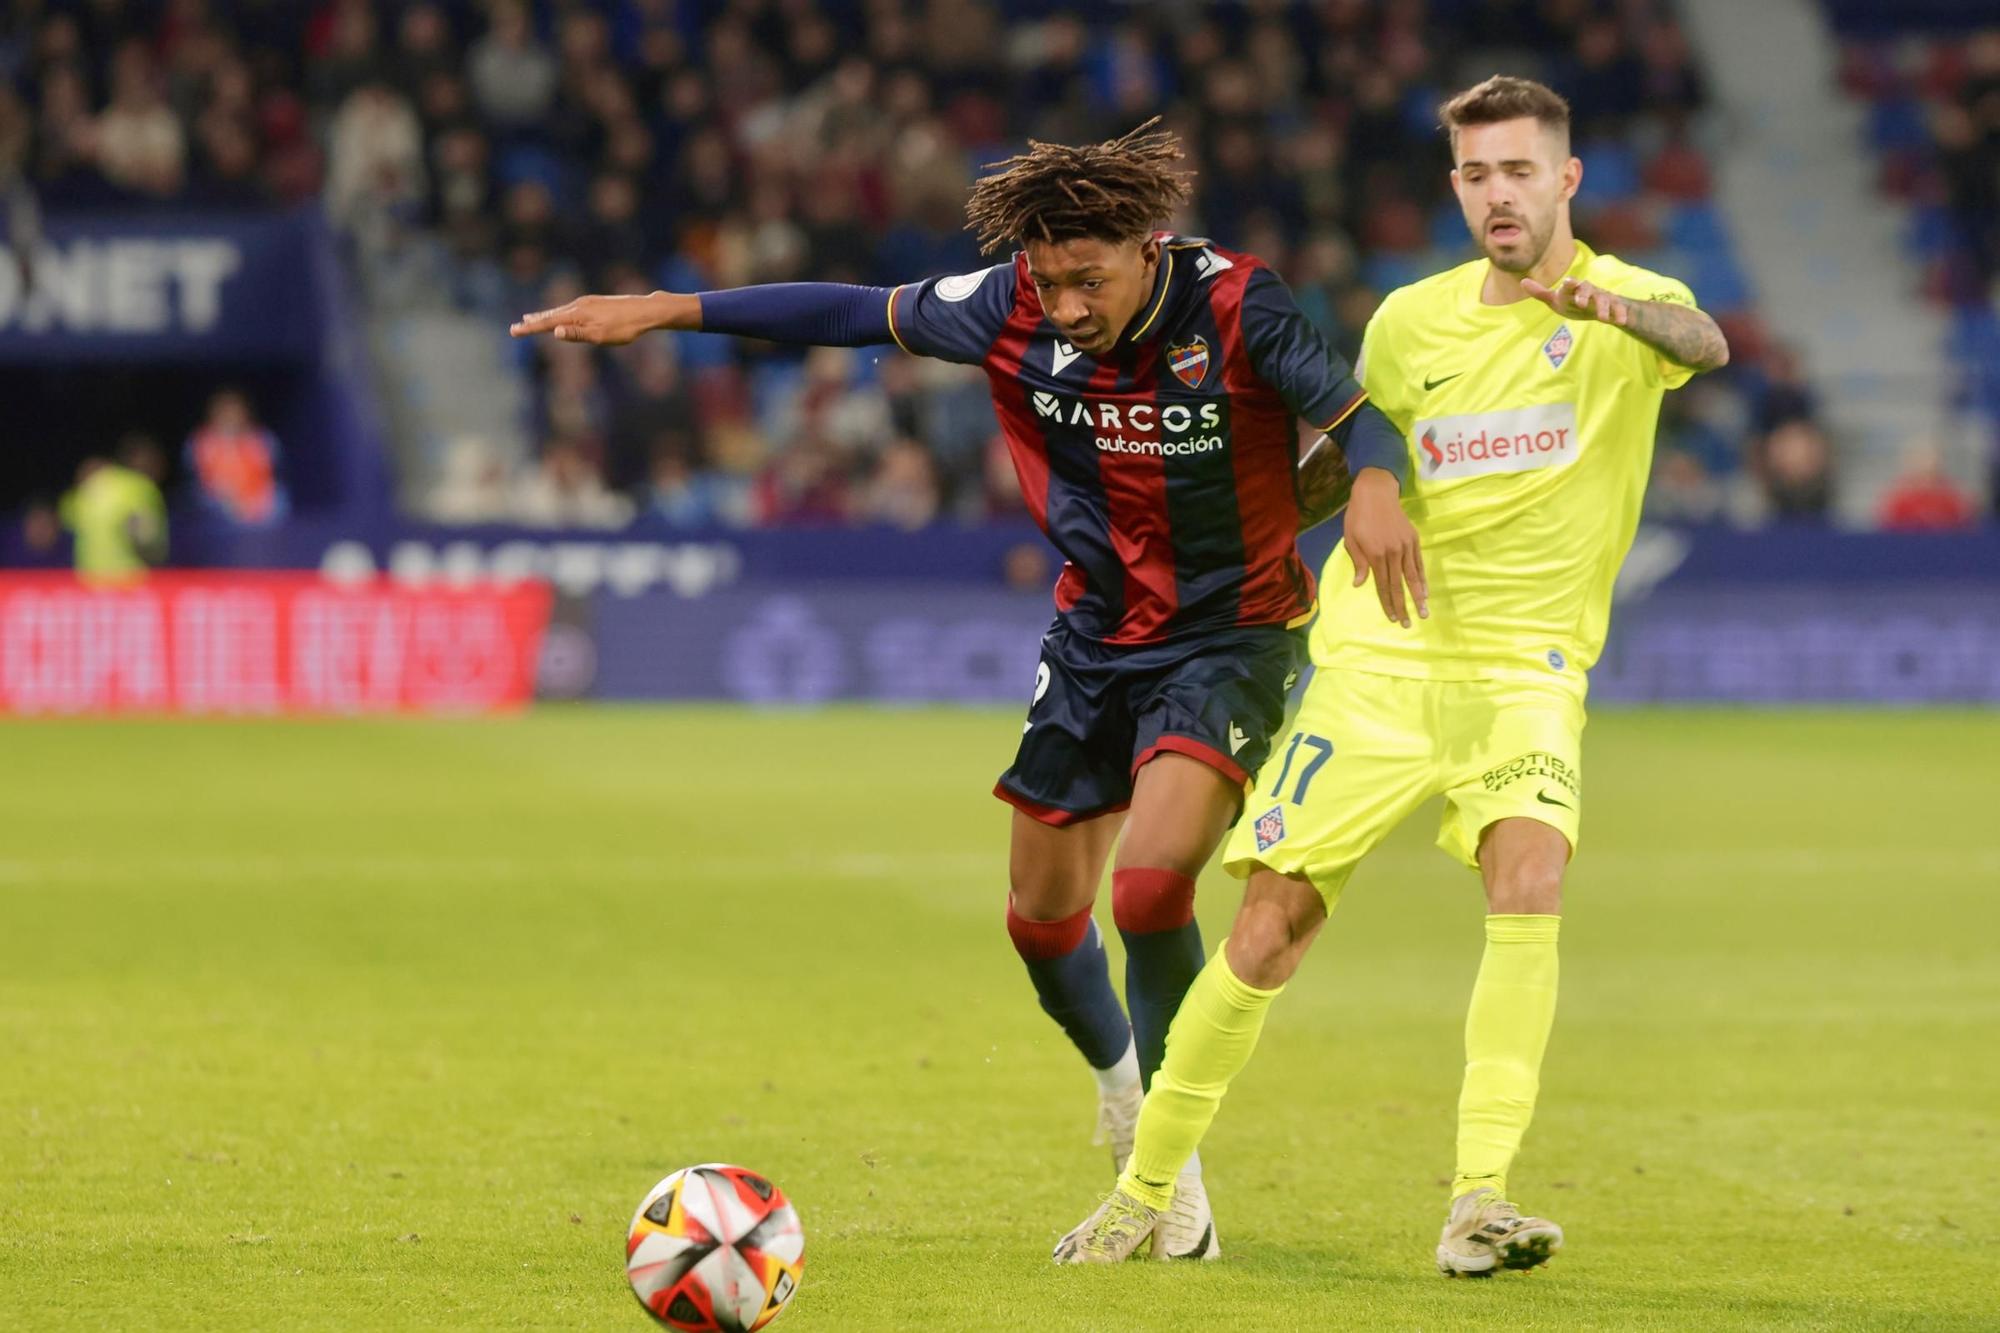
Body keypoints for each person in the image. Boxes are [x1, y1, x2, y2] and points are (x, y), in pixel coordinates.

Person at [511, 121, 1421, 1261]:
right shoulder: (1005, 306)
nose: (1067, 307)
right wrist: (670, 308)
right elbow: (850, 311)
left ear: (1151, 247)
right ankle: (1124, 1089)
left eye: (1087, 280)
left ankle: (1166, 1180)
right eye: (1049, 282)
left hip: (1227, 635)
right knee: (1039, 922)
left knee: (1146, 892)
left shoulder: (1240, 305)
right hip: (1093, 633)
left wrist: (1375, 480)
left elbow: (1358, 415)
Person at [1055, 76, 1729, 1273]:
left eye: (1519, 170)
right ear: (1455, 185)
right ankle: (1142, 1191)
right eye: (1475, 174)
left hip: (1522, 668)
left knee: (1528, 879)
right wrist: (1350, 487)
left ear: (1564, 179)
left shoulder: (1632, 301)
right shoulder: (1410, 322)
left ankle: (1477, 1197)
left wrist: (1616, 319)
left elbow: (1705, 343)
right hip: (1381, 661)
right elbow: (1354, 442)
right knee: (1268, 928)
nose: (1496, 193)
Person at [60, 434, 170, 583]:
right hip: (129, 585)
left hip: (89, 585)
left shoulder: (92, 483)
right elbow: (148, 542)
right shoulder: (141, 488)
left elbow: (66, 517)